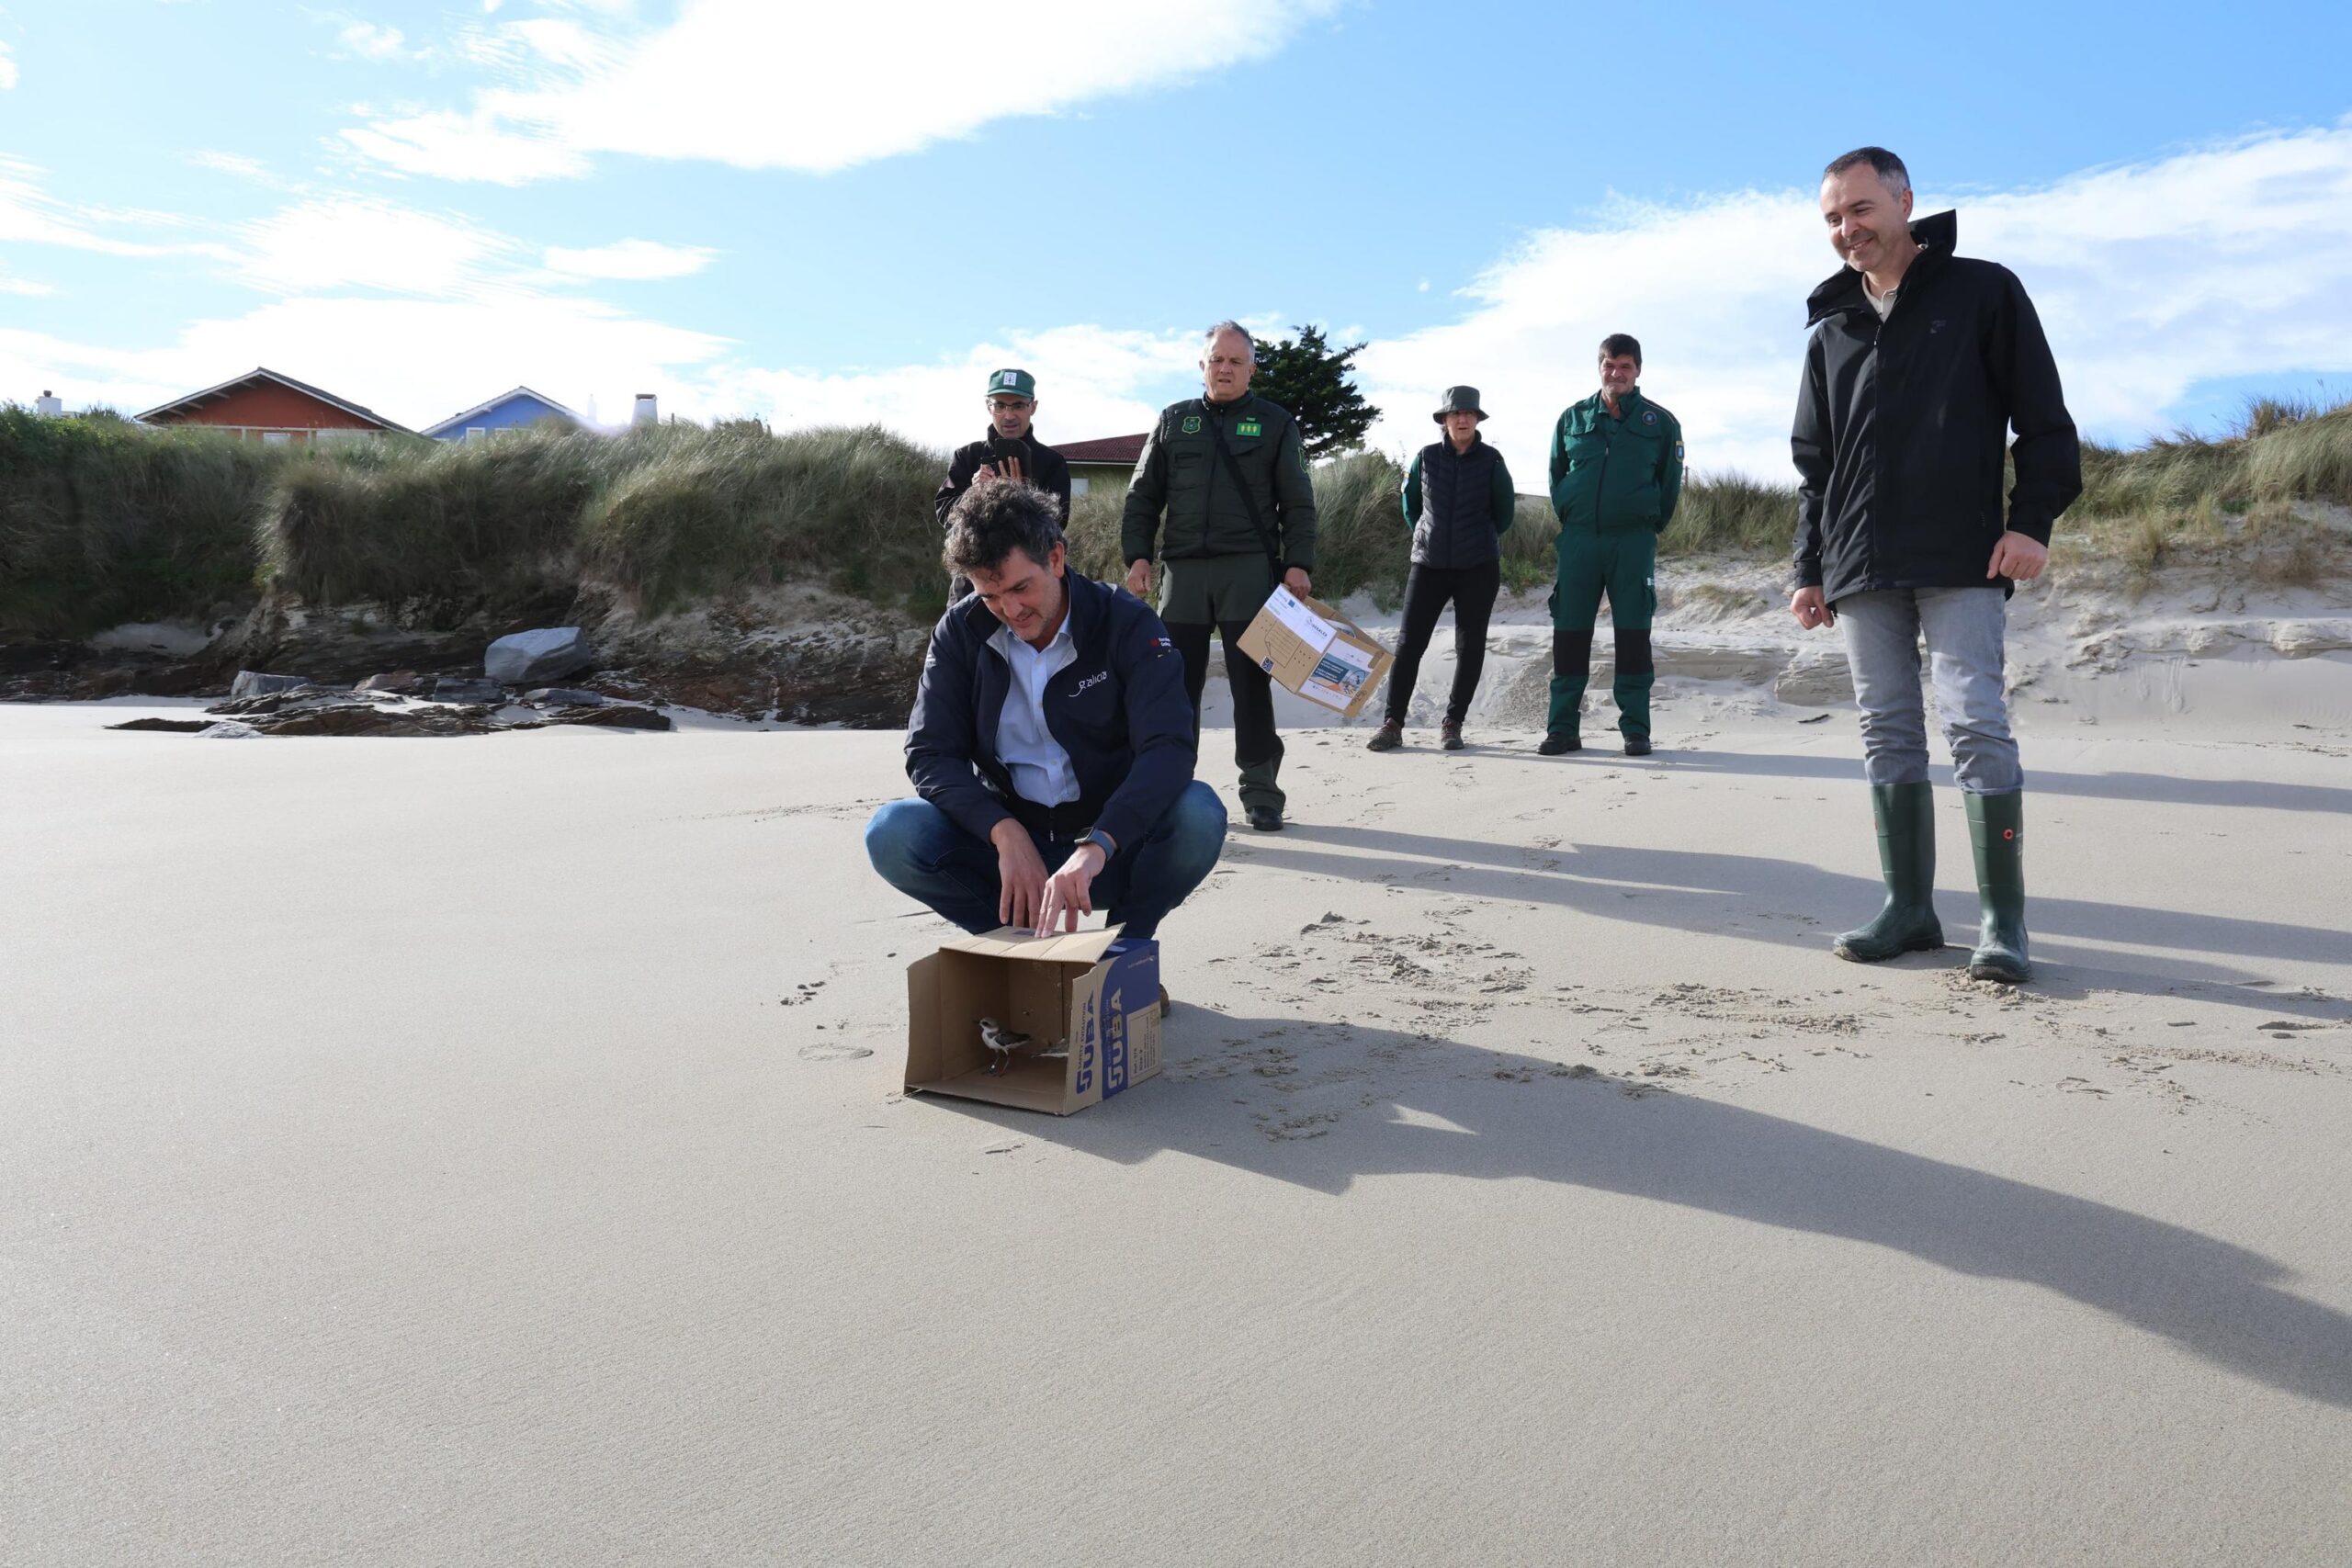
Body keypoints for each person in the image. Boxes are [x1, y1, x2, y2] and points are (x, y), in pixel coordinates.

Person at [1789, 146, 2081, 985]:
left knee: (1976, 724)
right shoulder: (1831, 330)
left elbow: (2045, 423)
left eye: (1861, 210)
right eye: (1833, 219)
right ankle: (1909, 909)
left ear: (1905, 201)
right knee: (1886, 733)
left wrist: (2032, 523)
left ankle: (2003, 922)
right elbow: (1817, 465)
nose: (1848, 230)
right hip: (1859, 563)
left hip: (1961, 552)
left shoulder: (1983, 291)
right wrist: (1809, 567)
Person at [866, 479, 1226, 956]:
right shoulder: (959, 632)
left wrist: (1099, 843)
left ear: (1055, 559)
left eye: (1021, 588)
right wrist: (1004, 832)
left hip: (1111, 842)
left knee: (1199, 813)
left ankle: (1124, 950)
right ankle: (1019, 949)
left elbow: (1168, 748)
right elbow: (930, 753)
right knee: (893, 833)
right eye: (991, 596)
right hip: (1011, 845)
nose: (1010, 610)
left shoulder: (1126, 621)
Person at [1120, 321, 1319, 832]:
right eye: (1216, 360)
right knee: (1173, 688)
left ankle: (1261, 793)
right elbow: (1142, 496)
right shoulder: (1173, 421)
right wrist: (1137, 557)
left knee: (1251, 687)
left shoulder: (1275, 422)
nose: (1225, 368)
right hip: (1182, 572)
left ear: (1252, 368)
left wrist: (1298, 562)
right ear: (1201, 365)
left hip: (1248, 570)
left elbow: (1298, 500)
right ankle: (1171, 790)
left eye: (1235, 361)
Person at [1543, 333, 1683, 758]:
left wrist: (1646, 523)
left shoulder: (1660, 423)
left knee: (1633, 635)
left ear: (1637, 370)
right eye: (1609, 364)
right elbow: (1556, 474)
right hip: (1580, 540)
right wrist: (1573, 515)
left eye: (1625, 366)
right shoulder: (1572, 419)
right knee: (1569, 636)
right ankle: (1562, 729)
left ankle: (1635, 730)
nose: (1616, 373)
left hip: (1633, 540)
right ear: (1599, 367)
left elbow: (1669, 485)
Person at [1367, 386, 1515, 752]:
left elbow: (1504, 513)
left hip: (1478, 566)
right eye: (1455, 414)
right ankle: (1392, 723)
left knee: (1471, 647)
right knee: (1408, 645)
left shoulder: (1493, 460)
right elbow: (1411, 507)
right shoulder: (1426, 457)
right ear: (1444, 420)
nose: (1462, 419)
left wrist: (1474, 538)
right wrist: (1429, 535)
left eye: (1469, 414)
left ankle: (1453, 723)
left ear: (1477, 419)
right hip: (1428, 564)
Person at [933, 367, 1072, 600]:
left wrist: (1021, 497)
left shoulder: (1052, 463)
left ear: (1033, 407)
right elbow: (943, 513)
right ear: (989, 406)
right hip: (972, 589)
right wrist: (974, 493)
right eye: (1000, 405)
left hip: (1028, 593)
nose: (1008, 416)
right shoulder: (966, 456)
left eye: (1018, 405)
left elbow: (1057, 526)